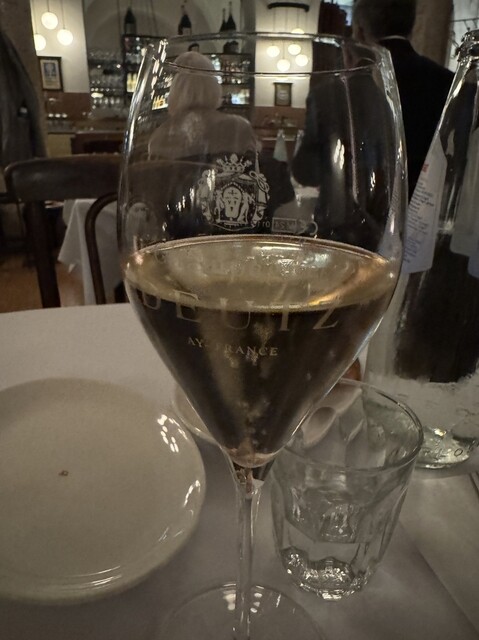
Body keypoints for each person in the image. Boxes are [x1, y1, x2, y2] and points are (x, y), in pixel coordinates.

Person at [352, 0, 454, 198]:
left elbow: (310, 171)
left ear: (359, 31)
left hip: (360, 207)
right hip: (426, 204)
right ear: (411, 27)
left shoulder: (347, 86)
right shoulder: (448, 81)